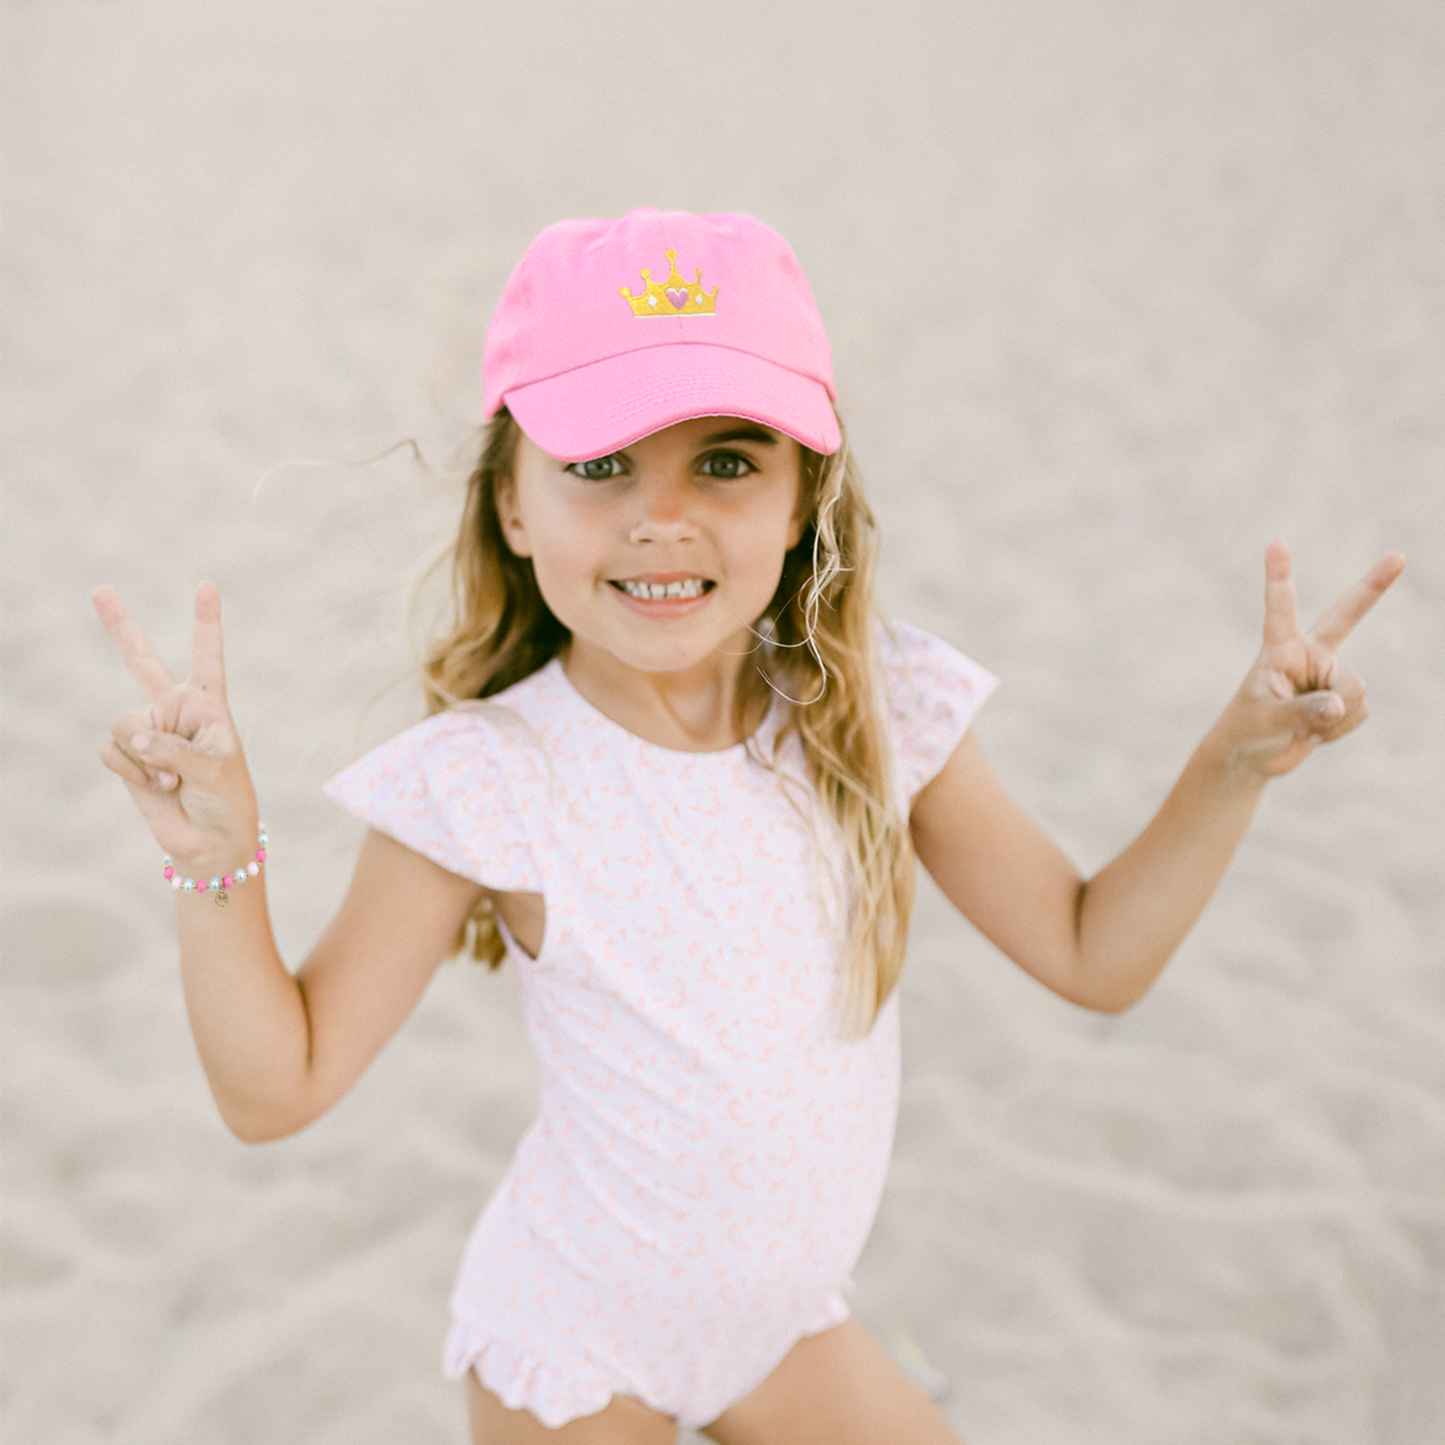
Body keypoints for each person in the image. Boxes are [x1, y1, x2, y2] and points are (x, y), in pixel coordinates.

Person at [93, 208, 1405, 1445]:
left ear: (802, 503)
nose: (661, 516)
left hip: (783, 1327)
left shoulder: (880, 709)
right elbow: (280, 1088)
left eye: (726, 461)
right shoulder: (489, 777)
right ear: (510, 503)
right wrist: (216, 867)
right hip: (580, 1343)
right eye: (598, 466)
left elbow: (1089, 950)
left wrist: (1232, 764)